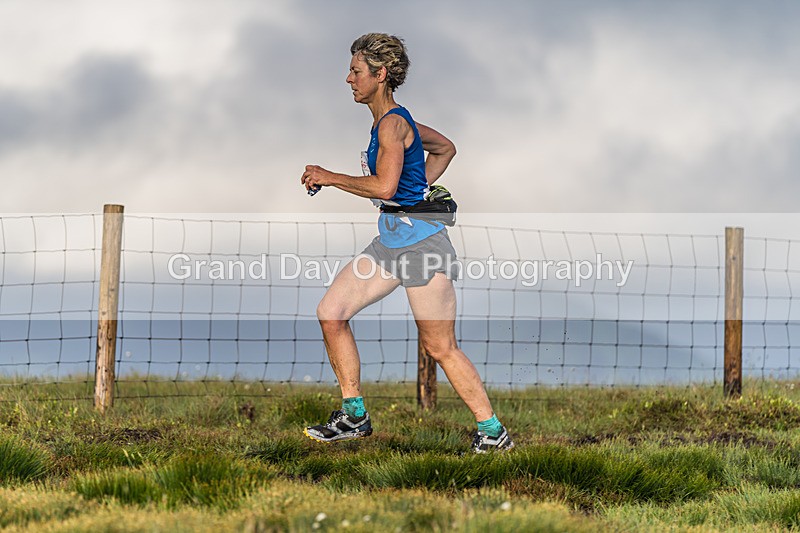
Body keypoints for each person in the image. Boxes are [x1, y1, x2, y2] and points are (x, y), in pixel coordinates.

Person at [300, 33, 513, 453]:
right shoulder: (394, 123)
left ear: (380, 75)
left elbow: (383, 185)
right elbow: (444, 148)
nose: (348, 79)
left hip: (422, 249)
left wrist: (329, 176)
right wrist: (419, 187)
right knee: (331, 313)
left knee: (439, 346)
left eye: (356, 71)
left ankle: (493, 432)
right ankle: (354, 416)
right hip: (391, 244)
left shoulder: (393, 123)